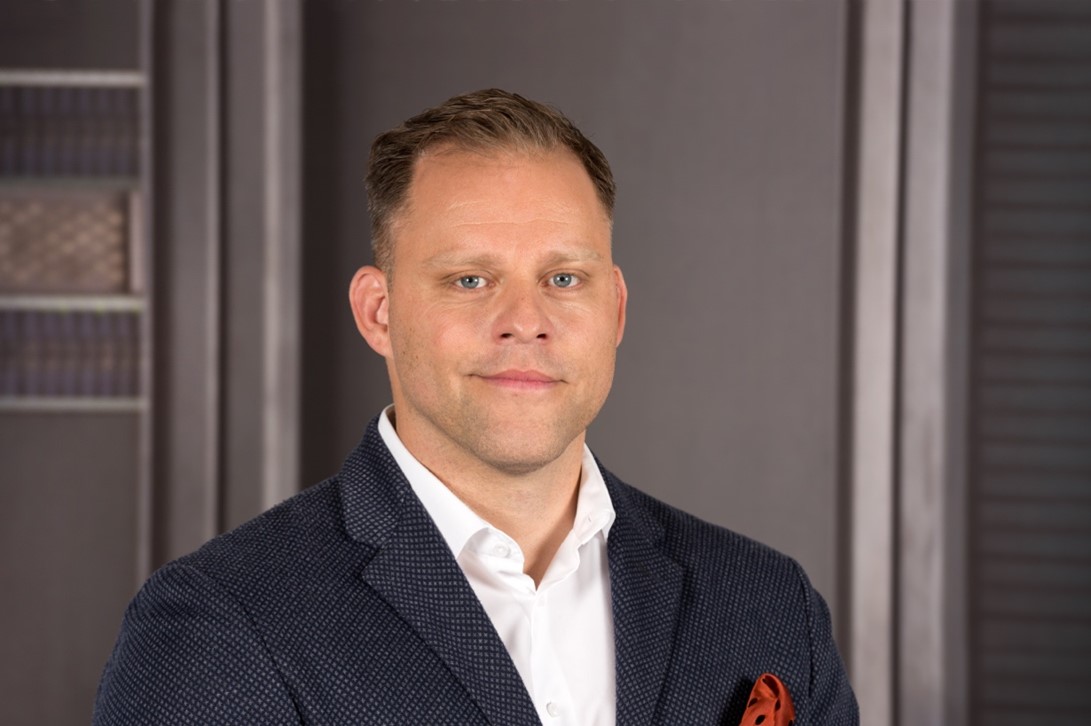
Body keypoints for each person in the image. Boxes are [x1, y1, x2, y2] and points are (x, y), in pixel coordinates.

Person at [94, 89, 858, 725]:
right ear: (378, 312)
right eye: (469, 280)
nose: (524, 320)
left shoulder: (766, 602)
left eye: (564, 279)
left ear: (616, 309)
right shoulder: (223, 624)